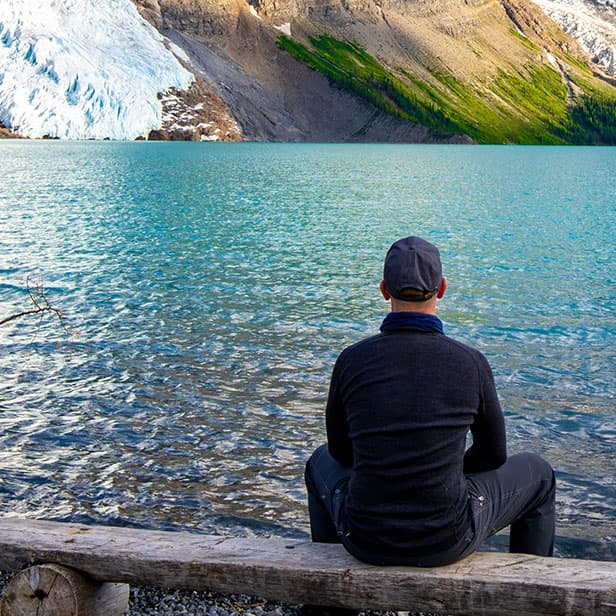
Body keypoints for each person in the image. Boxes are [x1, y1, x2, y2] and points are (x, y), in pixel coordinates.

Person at [305, 236, 555, 567]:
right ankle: (531, 593)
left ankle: (328, 595)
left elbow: (340, 452)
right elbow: (494, 454)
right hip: (446, 538)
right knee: (540, 475)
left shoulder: (351, 361)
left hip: (364, 538)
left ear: (383, 290)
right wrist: (443, 468)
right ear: (442, 289)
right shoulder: (470, 363)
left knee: (318, 461)